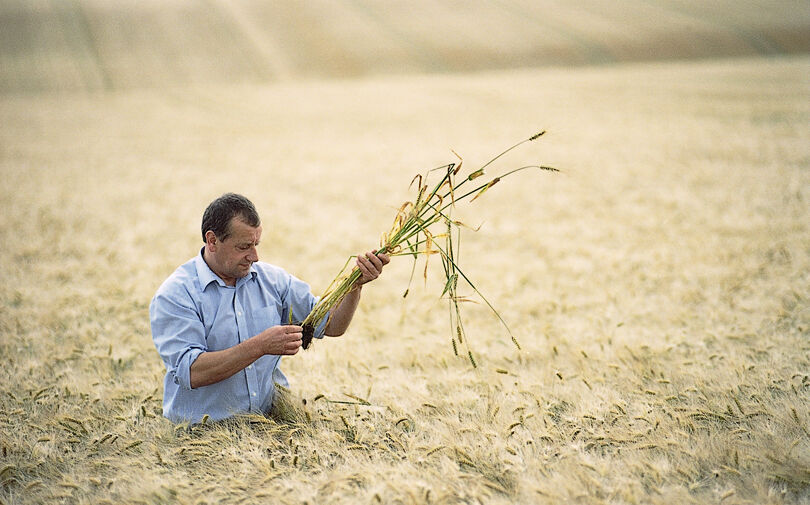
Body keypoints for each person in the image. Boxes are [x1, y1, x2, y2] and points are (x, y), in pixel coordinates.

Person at [150, 193, 389, 423]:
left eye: (256, 244)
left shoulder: (272, 281)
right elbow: (192, 372)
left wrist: (355, 285)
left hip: (270, 429)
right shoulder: (176, 295)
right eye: (244, 247)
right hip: (201, 436)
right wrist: (261, 346)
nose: (254, 256)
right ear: (212, 241)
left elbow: (331, 326)